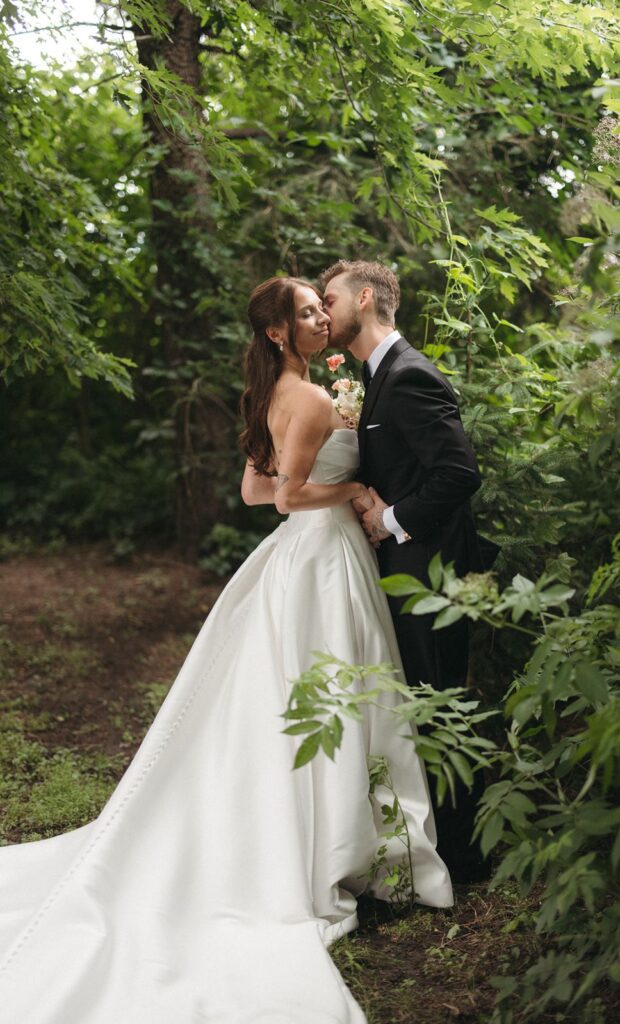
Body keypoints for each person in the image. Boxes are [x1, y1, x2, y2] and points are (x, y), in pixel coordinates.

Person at [0, 275, 453, 1024]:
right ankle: (339, 843)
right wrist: (349, 493)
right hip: (323, 557)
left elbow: (252, 491)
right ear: (278, 332)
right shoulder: (310, 399)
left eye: (321, 307)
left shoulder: (278, 393)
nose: (320, 317)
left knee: (307, 695)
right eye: (306, 312)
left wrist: (330, 486)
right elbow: (285, 497)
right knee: (338, 689)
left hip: (303, 555)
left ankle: (336, 831)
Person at [320, 260, 498, 882]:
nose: (323, 310)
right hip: (407, 570)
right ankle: (440, 844)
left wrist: (390, 518)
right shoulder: (377, 377)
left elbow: (459, 473)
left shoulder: (409, 374)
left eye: (330, 298)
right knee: (422, 701)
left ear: (365, 298)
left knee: (439, 702)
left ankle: (466, 858)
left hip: (432, 575)